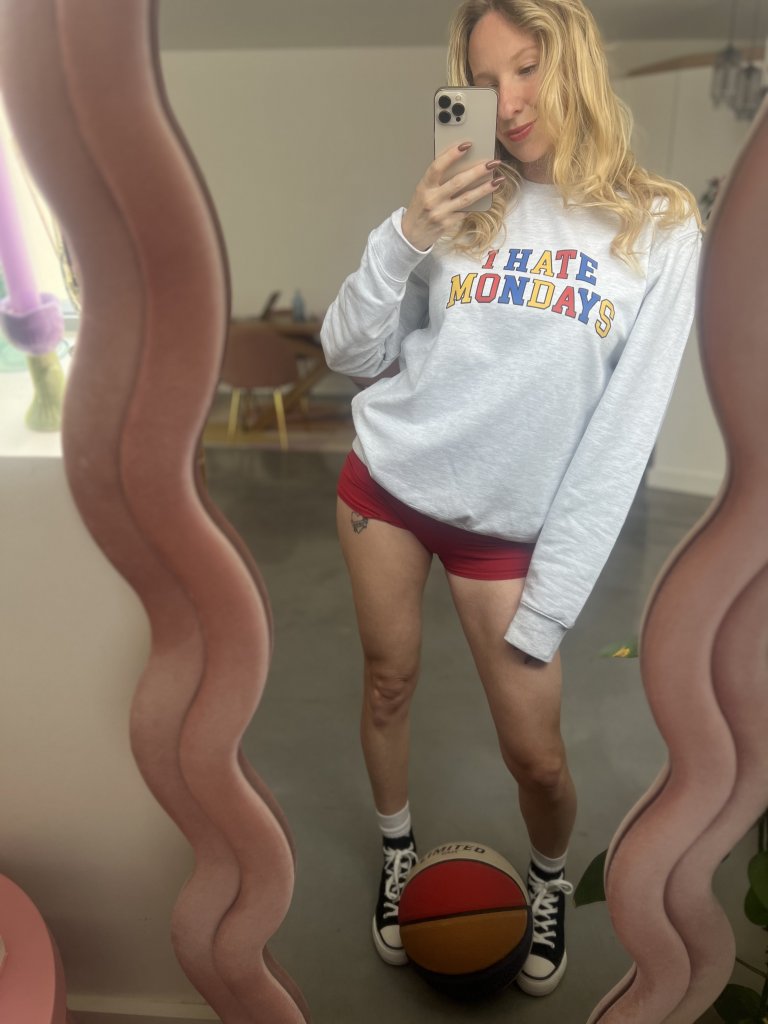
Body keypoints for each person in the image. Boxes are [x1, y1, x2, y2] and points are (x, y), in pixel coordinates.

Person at [320, 0, 702, 997]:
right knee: (387, 684)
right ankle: (397, 849)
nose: (511, 101)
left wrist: (553, 601)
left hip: (510, 530)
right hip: (389, 485)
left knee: (537, 759)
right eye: (486, 82)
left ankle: (547, 879)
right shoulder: (463, 201)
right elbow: (349, 354)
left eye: (527, 68)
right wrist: (409, 231)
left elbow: (621, 438)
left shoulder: (660, 224)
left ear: (574, 61)